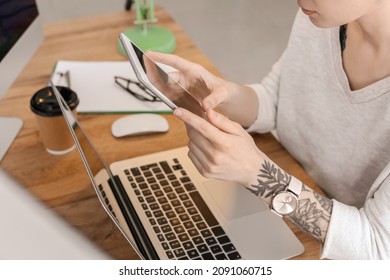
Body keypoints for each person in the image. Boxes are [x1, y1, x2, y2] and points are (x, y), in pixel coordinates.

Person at [147, 0, 390, 259]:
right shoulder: (323, 17)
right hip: (291, 194)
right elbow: (279, 99)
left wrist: (258, 174)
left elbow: (376, 247)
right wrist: (220, 93)